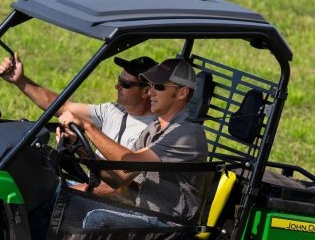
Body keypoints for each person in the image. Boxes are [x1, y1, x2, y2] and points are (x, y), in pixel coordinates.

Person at [58, 58, 208, 224]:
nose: (150, 92)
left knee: (98, 220)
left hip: (167, 224)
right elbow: (120, 177)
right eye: (150, 85)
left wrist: (87, 126)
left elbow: (128, 162)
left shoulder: (185, 133)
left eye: (159, 86)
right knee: (56, 192)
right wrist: (80, 148)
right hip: (141, 213)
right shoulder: (154, 127)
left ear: (182, 93)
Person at [0, 53, 158, 150]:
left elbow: (121, 181)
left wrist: (83, 135)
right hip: (92, 187)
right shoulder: (113, 110)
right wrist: (21, 81)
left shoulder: (153, 132)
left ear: (146, 91)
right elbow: (62, 107)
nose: (117, 86)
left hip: (110, 202)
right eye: (119, 80)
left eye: (125, 84)